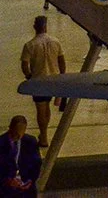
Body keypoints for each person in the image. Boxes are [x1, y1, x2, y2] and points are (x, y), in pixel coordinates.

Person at [20, 16, 64, 147]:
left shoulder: (30, 45)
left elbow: (24, 65)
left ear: (35, 27)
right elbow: (62, 61)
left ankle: (44, 136)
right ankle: (44, 134)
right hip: (53, 80)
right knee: (47, 107)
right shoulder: (56, 42)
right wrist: (62, 76)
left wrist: (29, 76)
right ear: (46, 26)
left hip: (38, 81)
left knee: (40, 108)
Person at [0, 116, 40, 197]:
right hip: (5, 184)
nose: (18, 137)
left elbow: (36, 163)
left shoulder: (30, 142)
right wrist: (7, 180)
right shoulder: (1, 143)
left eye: (21, 134)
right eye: (16, 133)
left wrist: (30, 180)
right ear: (10, 128)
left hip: (24, 181)